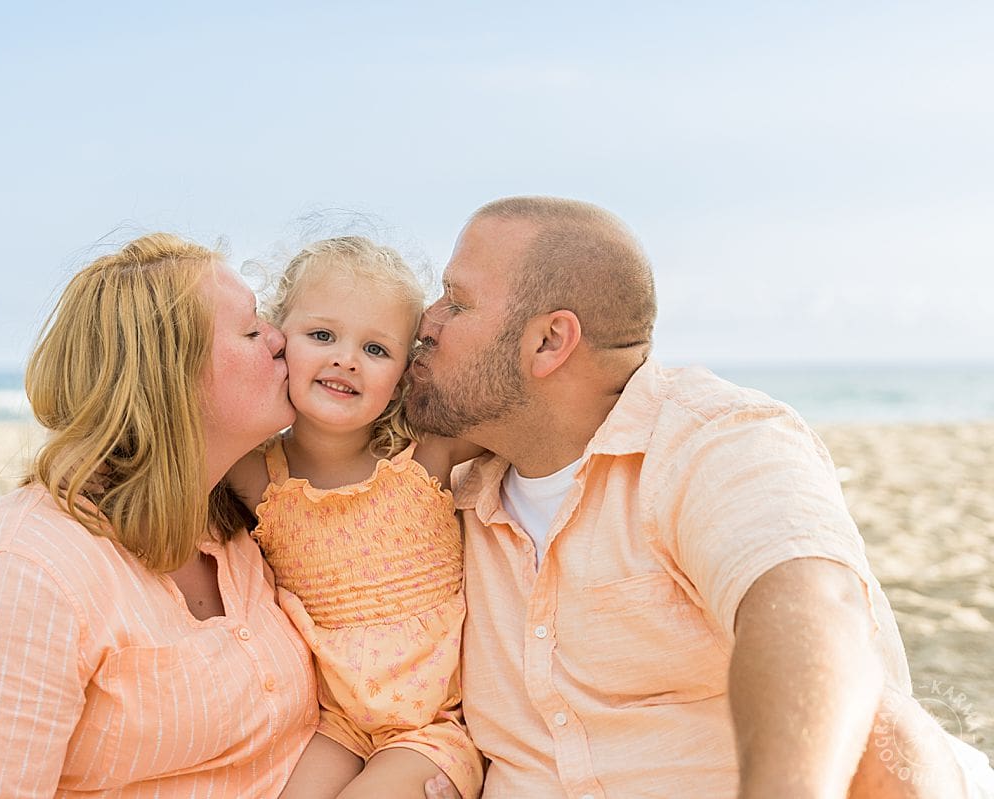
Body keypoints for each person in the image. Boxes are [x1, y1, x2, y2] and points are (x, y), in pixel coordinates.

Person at [405, 197, 994, 798]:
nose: (425, 322)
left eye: (456, 300)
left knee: (892, 730)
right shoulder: (434, 486)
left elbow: (814, 616)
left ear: (550, 341)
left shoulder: (715, 440)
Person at [0, 233, 454, 798]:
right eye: (253, 330)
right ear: (172, 375)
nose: (280, 340)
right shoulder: (20, 580)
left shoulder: (236, 520)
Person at [227, 237, 485, 799]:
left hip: (432, 728)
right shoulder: (256, 475)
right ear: (277, 341)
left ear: (404, 374)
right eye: (322, 336)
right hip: (334, 723)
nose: (346, 359)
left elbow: (528, 411)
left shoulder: (426, 459)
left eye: (376, 349)